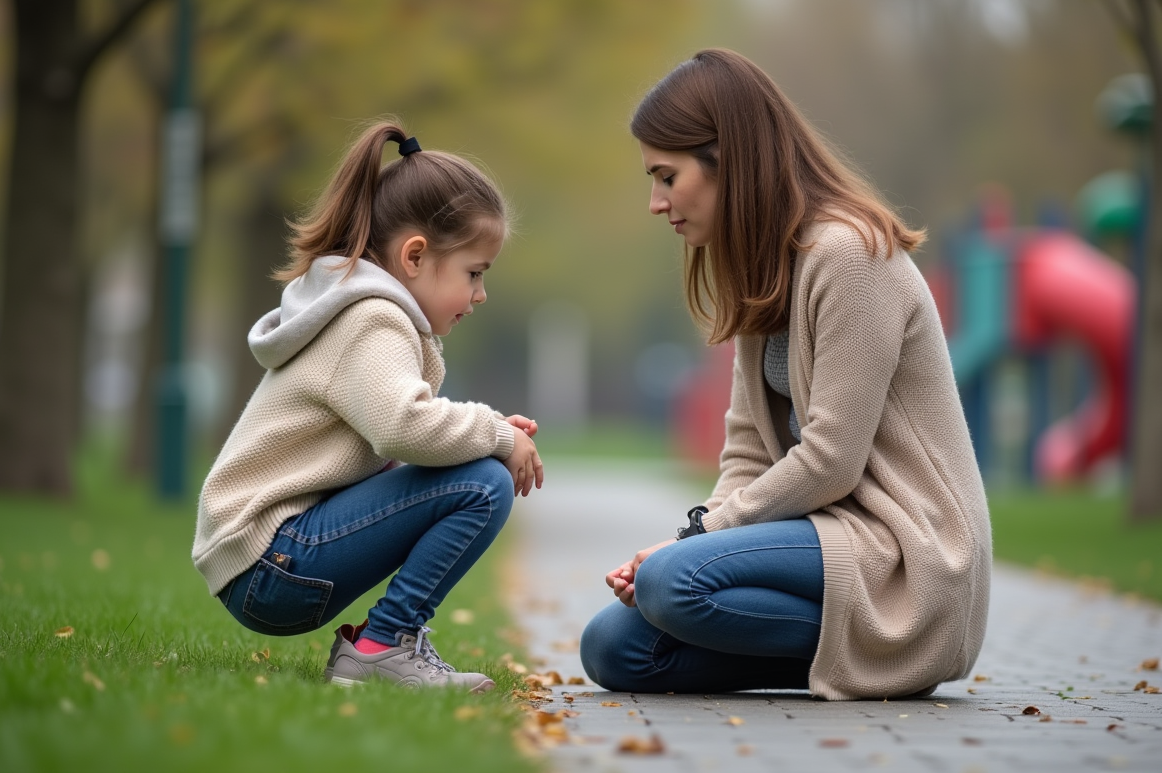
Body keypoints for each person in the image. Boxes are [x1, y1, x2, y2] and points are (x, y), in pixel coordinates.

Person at [579, 49, 990, 701]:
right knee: (612, 649)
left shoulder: (848, 253)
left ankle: (906, 645)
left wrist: (696, 539)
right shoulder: (764, 268)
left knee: (670, 584)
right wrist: (698, 533)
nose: (655, 203)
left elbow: (831, 460)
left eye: (666, 176)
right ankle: (861, 660)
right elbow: (746, 450)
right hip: (831, 542)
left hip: (907, 556)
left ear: (727, 161)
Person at [193, 121, 544, 694]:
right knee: (484, 484)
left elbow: (399, 421)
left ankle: (384, 646)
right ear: (414, 255)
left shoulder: (365, 313)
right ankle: (384, 647)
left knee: (476, 469)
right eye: (474, 274)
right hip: (271, 562)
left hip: (265, 559)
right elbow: (402, 426)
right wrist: (495, 437)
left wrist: (485, 432)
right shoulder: (371, 320)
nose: (480, 295)